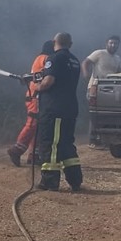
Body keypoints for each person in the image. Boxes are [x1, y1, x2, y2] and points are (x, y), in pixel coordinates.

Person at [34, 32, 84, 191]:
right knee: (66, 143)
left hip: (54, 110)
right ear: (71, 44)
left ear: (54, 42)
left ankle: (49, 181)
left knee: (51, 143)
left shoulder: (53, 59)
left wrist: (37, 86)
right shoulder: (75, 61)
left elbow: (48, 82)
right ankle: (75, 180)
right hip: (70, 108)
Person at [7, 40, 55, 167]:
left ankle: (34, 155)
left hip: (35, 96)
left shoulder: (40, 58)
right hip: (36, 97)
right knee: (32, 124)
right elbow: (44, 77)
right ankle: (16, 150)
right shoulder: (46, 59)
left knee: (37, 127)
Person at [82, 35, 121, 147]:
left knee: (107, 114)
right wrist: (85, 74)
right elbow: (85, 62)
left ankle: (105, 139)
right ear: (107, 44)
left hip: (110, 90)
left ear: (118, 45)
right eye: (111, 43)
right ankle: (92, 139)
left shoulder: (117, 58)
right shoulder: (99, 53)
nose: (113, 45)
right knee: (95, 114)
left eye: (115, 43)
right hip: (95, 87)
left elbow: (120, 71)